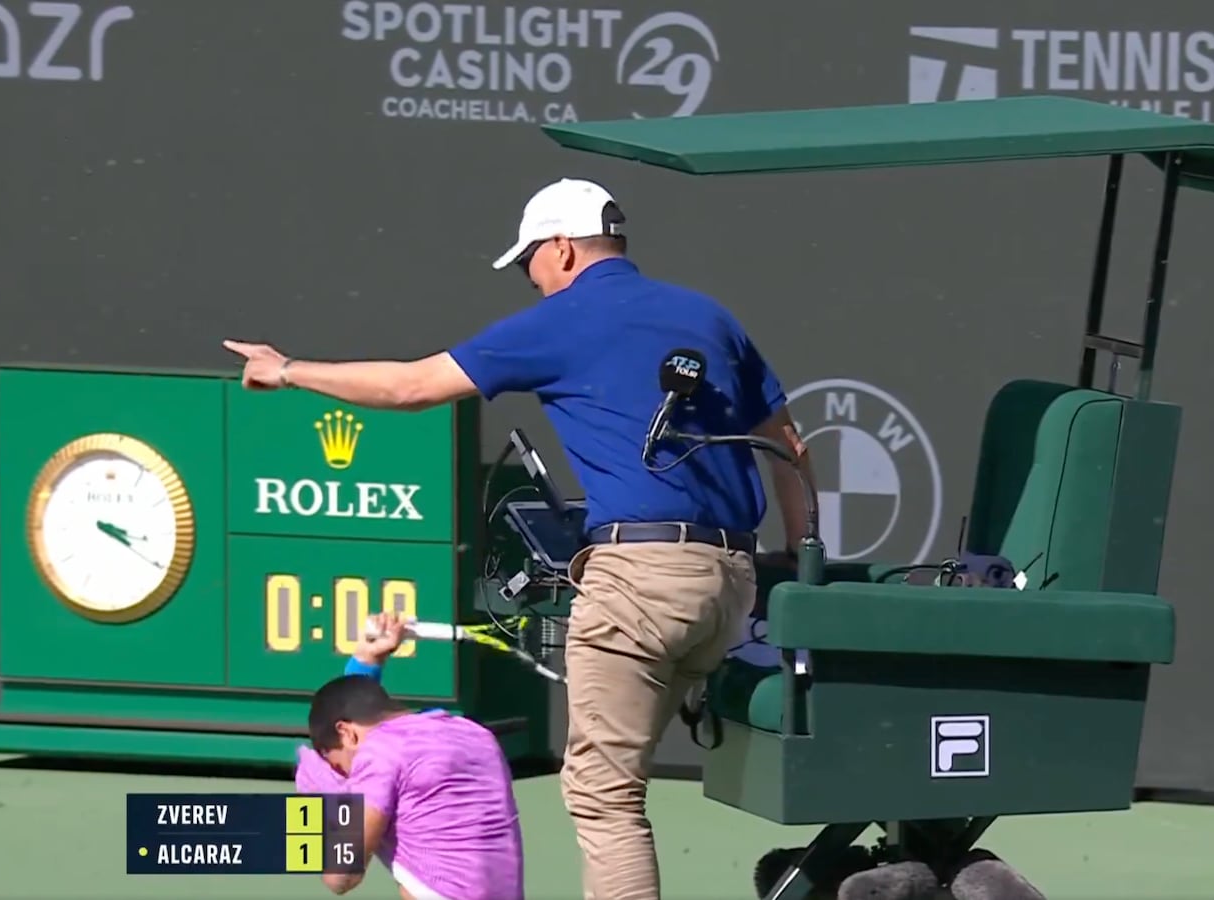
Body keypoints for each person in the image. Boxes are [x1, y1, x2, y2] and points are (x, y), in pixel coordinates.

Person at [224, 177, 816, 900]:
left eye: (530, 260)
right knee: (629, 764)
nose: (532, 278)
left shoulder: (564, 318)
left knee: (604, 797)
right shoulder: (709, 316)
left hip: (641, 584)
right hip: (730, 583)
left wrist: (285, 370)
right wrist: (797, 559)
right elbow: (789, 445)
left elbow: (412, 387)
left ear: (562, 249)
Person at [298, 612, 524, 899]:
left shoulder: (382, 752)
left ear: (347, 734)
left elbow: (339, 878)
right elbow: (357, 703)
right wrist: (367, 657)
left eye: (341, 767)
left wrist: (317, 806)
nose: (349, 776)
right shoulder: (476, 736)